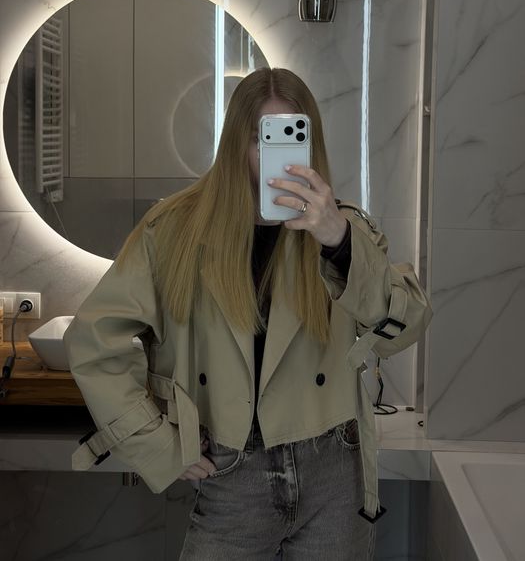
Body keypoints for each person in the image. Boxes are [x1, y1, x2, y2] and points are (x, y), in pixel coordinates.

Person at [63, 67, 432, 560]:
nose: (273, 155)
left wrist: (339, 243)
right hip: (231, 472)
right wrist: (156, 443)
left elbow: (406, 326)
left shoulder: (344, 231)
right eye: (262, 138)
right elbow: (94, 340)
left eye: (291, 137)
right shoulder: (173, 231)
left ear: (311, 146)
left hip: (333, 470)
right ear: (236, 142)